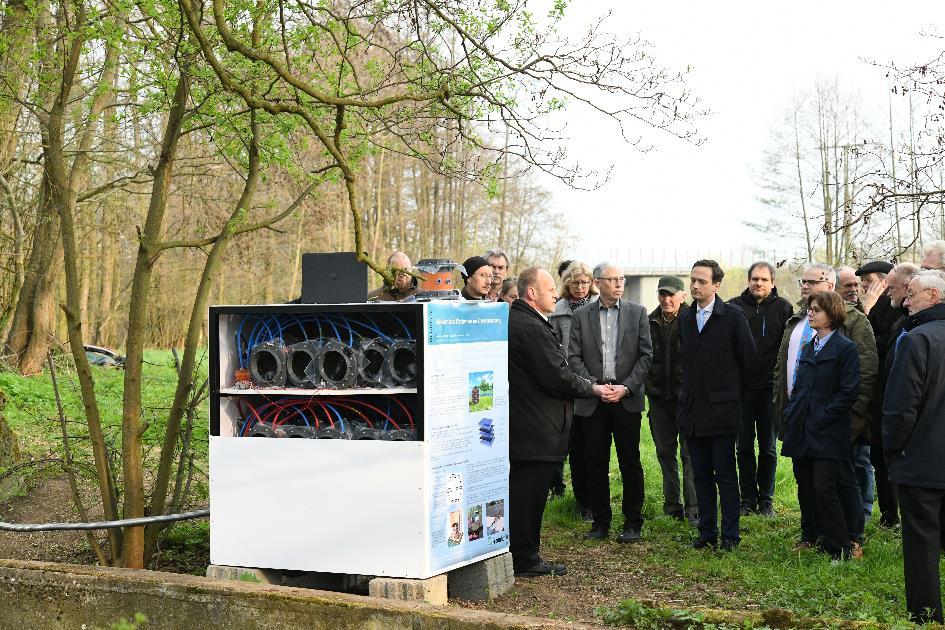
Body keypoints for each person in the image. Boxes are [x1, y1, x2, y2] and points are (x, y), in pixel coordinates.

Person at [508, 267, 611, 577]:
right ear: (532, 293)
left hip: (531, 424)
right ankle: (525, 558)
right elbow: (557, 376)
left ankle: (524, 553)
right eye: (550, 288)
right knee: (529, 494)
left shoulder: (526, 321)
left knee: (527, 492)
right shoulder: (530, 327)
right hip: (535, 428)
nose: (556, 292)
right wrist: (592, 387)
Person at [773, 262, 876, 549]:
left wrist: (849, 418)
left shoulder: (854, 322)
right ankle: (812, 535)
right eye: (802, 281)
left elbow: (864, 375)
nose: (804, 286)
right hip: (800, 420)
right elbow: (783, 370)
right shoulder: (797, 324)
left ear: (829, 286)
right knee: (806, 481)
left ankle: (849, 539)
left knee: (839, 483)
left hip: (834, 424)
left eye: (811, 282)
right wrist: (786, 410)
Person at [569, 262, 653, 543]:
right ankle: (600, 522)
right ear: (598, 282)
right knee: (595, 463)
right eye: (613, 279)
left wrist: (626, 387)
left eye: (622, 279)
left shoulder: (637, 313)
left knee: (630, 461)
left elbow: (645, 356)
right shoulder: (581, 316)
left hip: (625, 398)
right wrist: (594, 386)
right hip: (594, 399)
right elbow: (574, 357)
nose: (619, 284)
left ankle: (633, 523)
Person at [677, 260, 756, 551]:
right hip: (693, 412)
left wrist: (737, 405)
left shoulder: (732, 316)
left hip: (723, 412)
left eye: (702, 281)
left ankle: (730, 536)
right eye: (693, 280)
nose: (695, 286)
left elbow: (749, 363)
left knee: (725, 475)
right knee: (700, 474)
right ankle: (706, 531)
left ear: (716, 285)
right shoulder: (685, 318)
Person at [883, 269, 945, 623]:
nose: (906, 300)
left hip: (921, 462)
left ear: (933, 297)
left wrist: (893, 450)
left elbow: (900, 406)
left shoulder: (916, 339)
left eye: (913, 294)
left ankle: (925, 616)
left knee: (921, 544)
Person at [781, 291, 862, 560]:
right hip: (802, 429)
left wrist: (822, 416)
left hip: (827, 432)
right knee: (804, 485)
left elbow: (849, 392)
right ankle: (812, 536)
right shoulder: (809, 346)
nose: (811, 313)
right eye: (810, 309)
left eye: (816, 310)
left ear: (832, 314)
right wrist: (793, 413)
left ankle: (840, 547)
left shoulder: (845, 348)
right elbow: (800, 385)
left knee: (825, 488)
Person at [727, 261, 793, 517]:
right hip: (742, 390)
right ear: (748, 280)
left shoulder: (784, 308)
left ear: (772, 282)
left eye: (764, 280)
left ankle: (766, 501)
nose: (759, 283)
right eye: (755, 279)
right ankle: (747, 499)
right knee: (743, 447)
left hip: (769, 391)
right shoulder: (734, 307)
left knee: (767, 447)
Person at [645, 275, 697, 525]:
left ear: (682, 296)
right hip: (658, 399)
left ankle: (694, 508)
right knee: (665, 453)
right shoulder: (648, 322)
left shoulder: (692, 320)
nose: (666, 299)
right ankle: (672, 505)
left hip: (686, 400)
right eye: (662, 294)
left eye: (671, 294)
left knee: (689, 455)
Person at [547, 261, 597, 510]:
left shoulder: (598, 308)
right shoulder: (557, 310)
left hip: (594, 381)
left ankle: (595, 497)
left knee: (594, 446)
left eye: (585, 282)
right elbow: (554, 345)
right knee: (575, 446)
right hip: (568, 383)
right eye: (576, 282)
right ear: (568, 284)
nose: (580, 287)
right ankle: (582, 501)